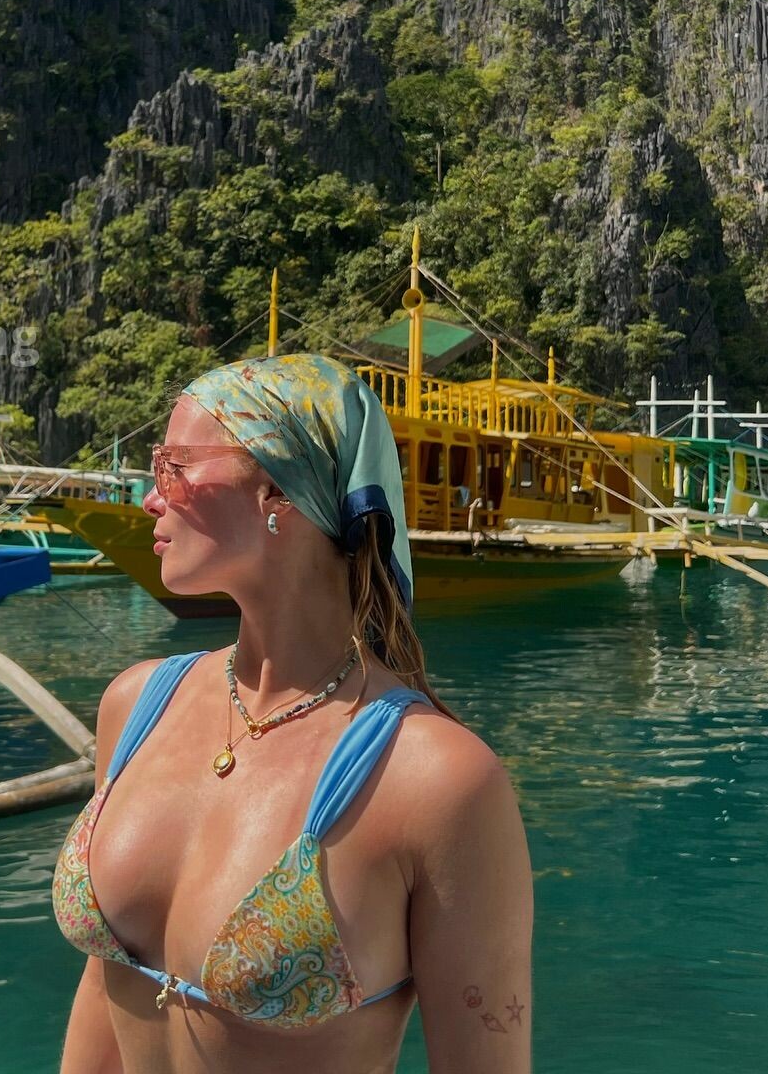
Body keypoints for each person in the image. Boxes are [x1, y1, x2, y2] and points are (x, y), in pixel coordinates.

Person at [52, 353, 532, 1074]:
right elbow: (104, 983)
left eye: (174, 467)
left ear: (280, 489)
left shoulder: (435, 779)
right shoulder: (137, 706)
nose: (151, 498)